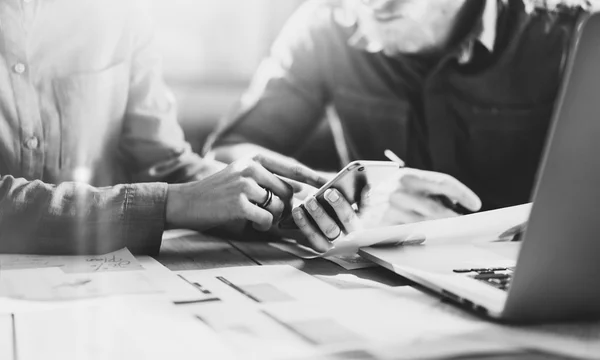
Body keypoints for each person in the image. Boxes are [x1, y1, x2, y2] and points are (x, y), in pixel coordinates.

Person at [205, 0, 594, 248]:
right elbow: (228, 154)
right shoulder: (325, 24)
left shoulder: (572, 33)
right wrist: (349, 194)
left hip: (524, 275)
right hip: (378, 274)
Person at [0, 0, 327, 256]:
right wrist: (171, 203)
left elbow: (165, 165)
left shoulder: (121, 10)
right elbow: (176, 195)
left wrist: (282, 203)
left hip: (103, 282)